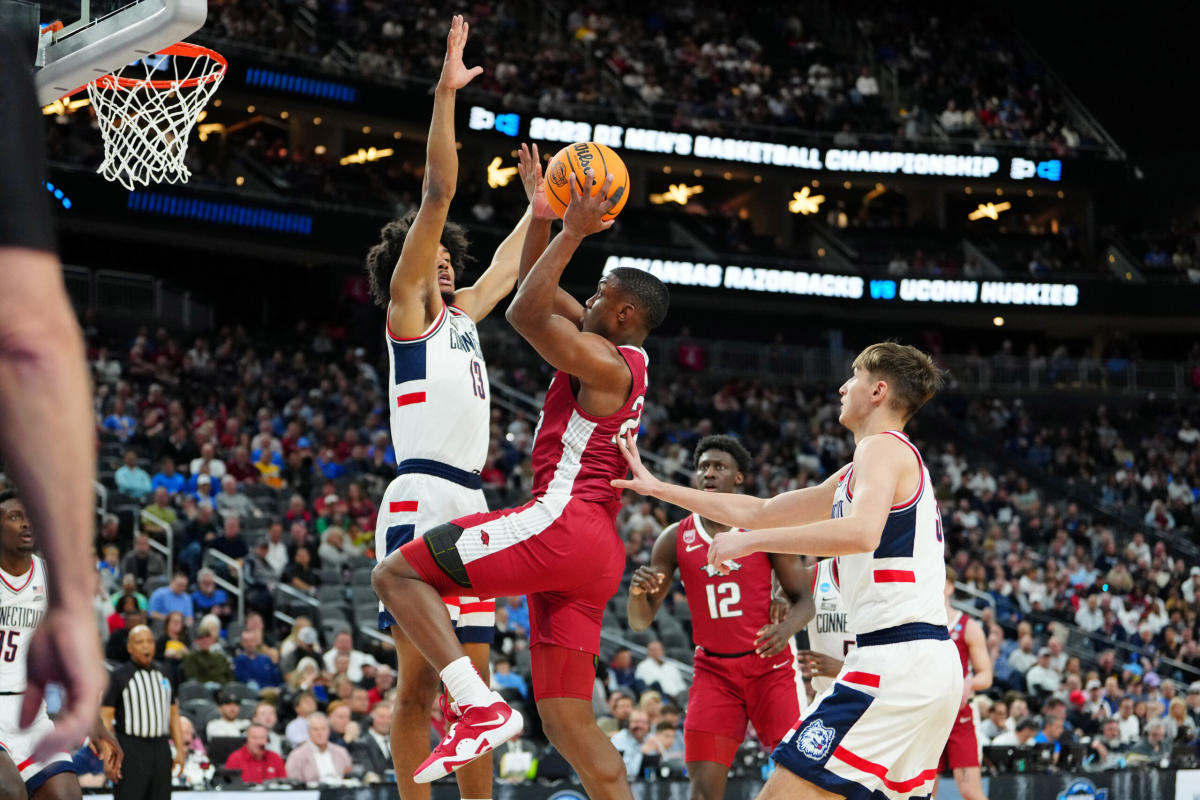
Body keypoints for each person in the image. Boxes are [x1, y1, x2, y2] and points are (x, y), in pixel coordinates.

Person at [372, 135, 668, 796]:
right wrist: (543, 213)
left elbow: (526, 306)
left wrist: (568, 231)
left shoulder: (604, 358)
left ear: (620, 314)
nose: (583, 301)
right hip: (589, 546)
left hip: (560, 522)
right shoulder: (609, 345)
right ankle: (483, 711)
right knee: (568, 723)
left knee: (394, 575)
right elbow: (538, 281)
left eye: (596, 296)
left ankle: (478, 706)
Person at [615, 342, 959, 800]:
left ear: (877, 391)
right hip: (921, 662)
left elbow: (860, 533)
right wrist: (660, 488)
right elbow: (762, 510)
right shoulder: (867, 466)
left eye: (852, 377)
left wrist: (751, 542)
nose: (842, 387)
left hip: (895, 661)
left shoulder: (881, 449)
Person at [362, 17, 533, 800]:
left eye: (448, 252)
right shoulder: (408, 310)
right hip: (422, 491)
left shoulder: (462, 317)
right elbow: (438, 190)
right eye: (434, 250)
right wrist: (443, 94)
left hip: (471, 496)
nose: (447, 256)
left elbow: (503, 268)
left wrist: (541, 209)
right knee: (419, 689)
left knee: (483, 692)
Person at [627, 435, 813, 800]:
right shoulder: (673, 538)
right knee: (702, 790)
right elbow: (638, 622)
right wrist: (637, 595)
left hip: (769, 668)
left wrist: (786, 628)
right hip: (714, 673)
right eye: (703, 467)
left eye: (719, 467)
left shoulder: (764, 528)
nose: (708, 473)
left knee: (798, 774)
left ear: (738, 478)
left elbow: (804, 600)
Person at [0, 491, 123, 798]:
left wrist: (94, 725)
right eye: (15, 517)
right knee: (10, 791)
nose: (27, 524)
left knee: (68, 795)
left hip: (29, 713)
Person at [100, 626, 186, 800]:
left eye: (150, 641)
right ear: (130, 648)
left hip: (161, 748)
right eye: (140, 642)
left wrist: (180, 750)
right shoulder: (119, 676)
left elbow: (173, 714)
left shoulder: (165, 673)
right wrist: (108, 754)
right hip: (130, 748)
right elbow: (105, 717)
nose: (146, 646)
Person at [936, 568, 993, 800]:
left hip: (960, 716)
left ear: (950, 586)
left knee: (969, 791)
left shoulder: (968, 626)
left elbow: (986, 676)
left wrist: (968, 683)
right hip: (929, 714)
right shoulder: (917, 625)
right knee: (923, 791)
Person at [795, 557, 854, 707]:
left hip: (871, 698)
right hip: (827, 698)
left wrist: (843, 669)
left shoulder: (888, 581)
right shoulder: (815, 574)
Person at [284, 713, 352, 782]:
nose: (320, 733)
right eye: (315, 729)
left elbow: (348, 776)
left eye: (323, 729)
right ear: (308, 732)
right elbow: (293, 782)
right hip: (311, 791)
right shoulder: (296, 755)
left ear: (329, 731)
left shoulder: (341, 752)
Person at [350, 701, 394, 776]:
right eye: (382, 717)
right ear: (371, 719)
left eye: (389, 717)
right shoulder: (362, 742)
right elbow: (367, 772)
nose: (386, 721)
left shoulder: (396, 743)